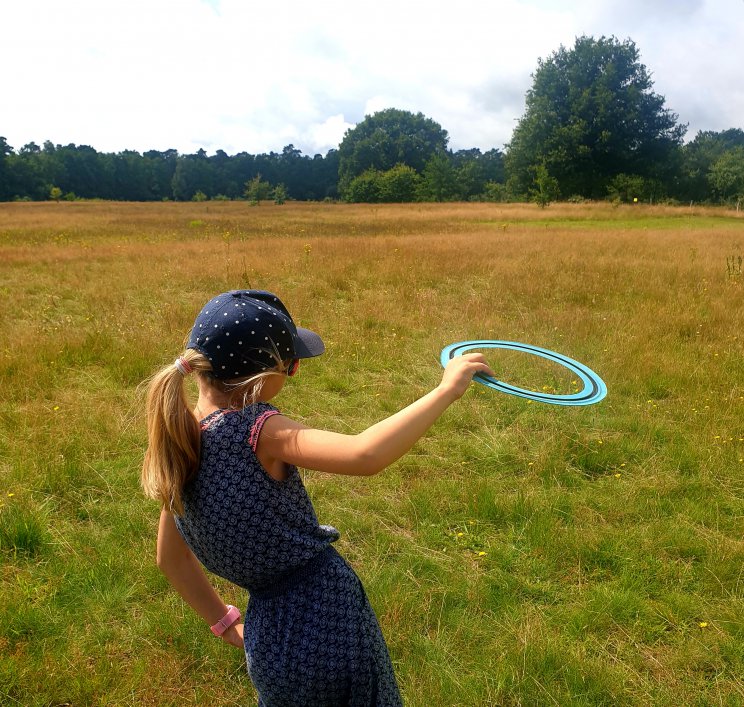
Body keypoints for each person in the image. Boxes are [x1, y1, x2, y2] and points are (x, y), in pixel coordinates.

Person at [141, 289, 494, 707]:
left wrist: (224, 622)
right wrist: (446, 391)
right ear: (261, 374)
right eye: (290, 365)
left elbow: (171, 559)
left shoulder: (178, 441)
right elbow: (364, 454)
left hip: (267, 639)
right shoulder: (256, 429)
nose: (293, 374)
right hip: (327, 619)